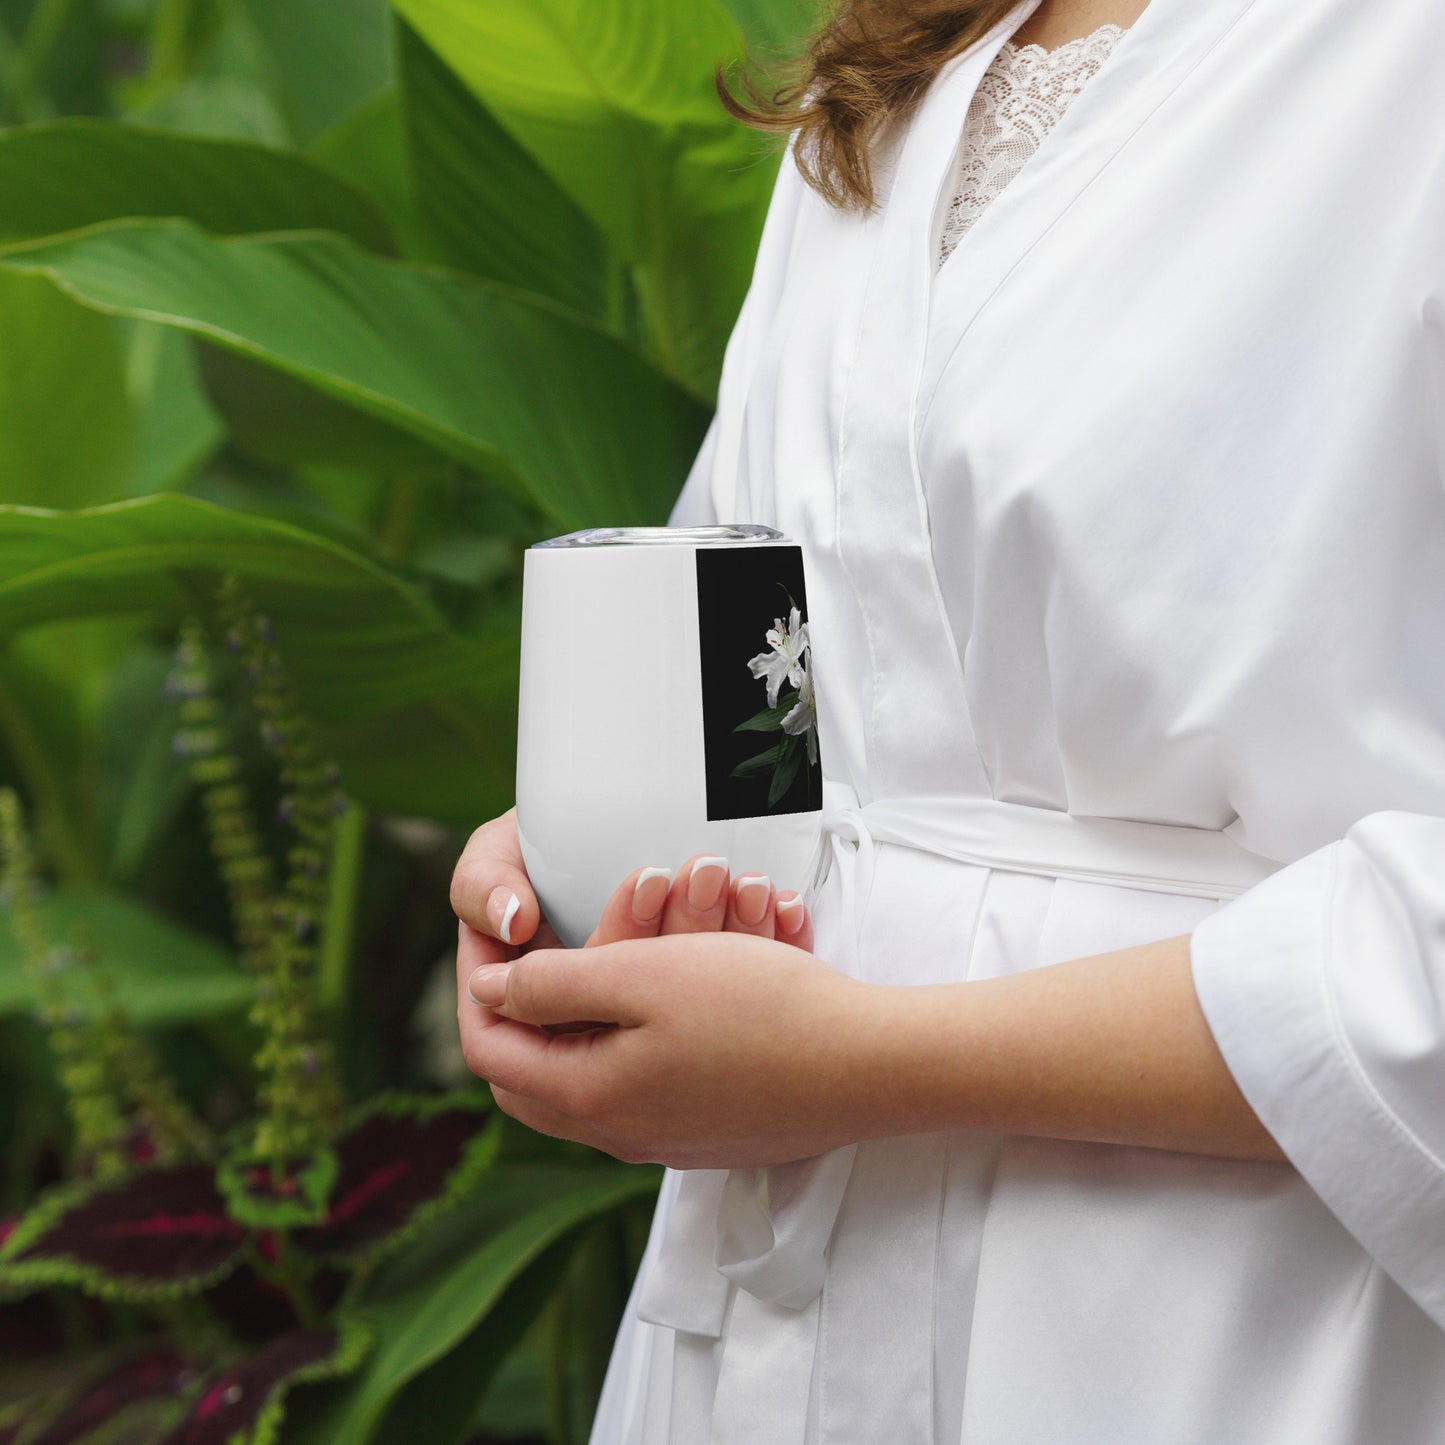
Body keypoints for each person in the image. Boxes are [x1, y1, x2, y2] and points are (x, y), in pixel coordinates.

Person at [451, 0, 1445, 1439]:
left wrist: (863, 1058)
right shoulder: (903, 55)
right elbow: (787, 630)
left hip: (1231, 1315)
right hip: (779, 1310)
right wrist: (587, 858)